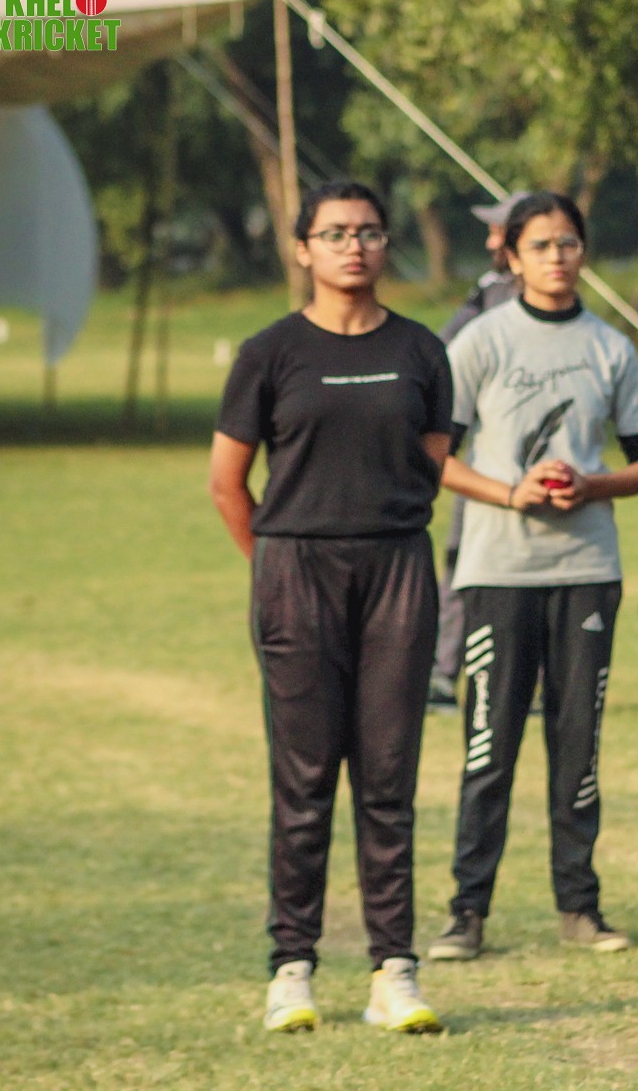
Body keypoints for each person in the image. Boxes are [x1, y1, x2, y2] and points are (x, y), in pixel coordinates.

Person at [209, 180, 449, 1035]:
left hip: (396, 570)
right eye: (337, 233)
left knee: (388, 778)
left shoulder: (421, 349)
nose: (355, 246)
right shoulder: (269, 352)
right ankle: (292, 969)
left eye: (370, 232)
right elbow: (227, 483)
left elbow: (430, 461)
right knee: (304, 780)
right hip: (295, 573)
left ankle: (394, 972)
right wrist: (278, 566)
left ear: (386, 245)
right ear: (302, 248)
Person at [427, 191, 638, 963]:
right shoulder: (480, 340)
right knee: (489, 746)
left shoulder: (610, 347)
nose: (556, 257)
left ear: (583, 250)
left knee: (577, 745)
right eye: (540, 245)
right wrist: (511, 493)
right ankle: (467, 911)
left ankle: (580, 905)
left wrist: (591, 485)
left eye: (568, 243)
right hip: (499, 569)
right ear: (511, 256)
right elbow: (435, 455)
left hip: (587, 569)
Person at [427, 192, 529, 714]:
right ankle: (444, 674)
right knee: (459, 561)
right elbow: (440, 349)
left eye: (498, 230)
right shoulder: (489, 291)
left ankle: (531, 681)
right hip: (481, 462)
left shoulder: (553, 300)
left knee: (528, 574)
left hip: (536, 462)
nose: (489, 240)